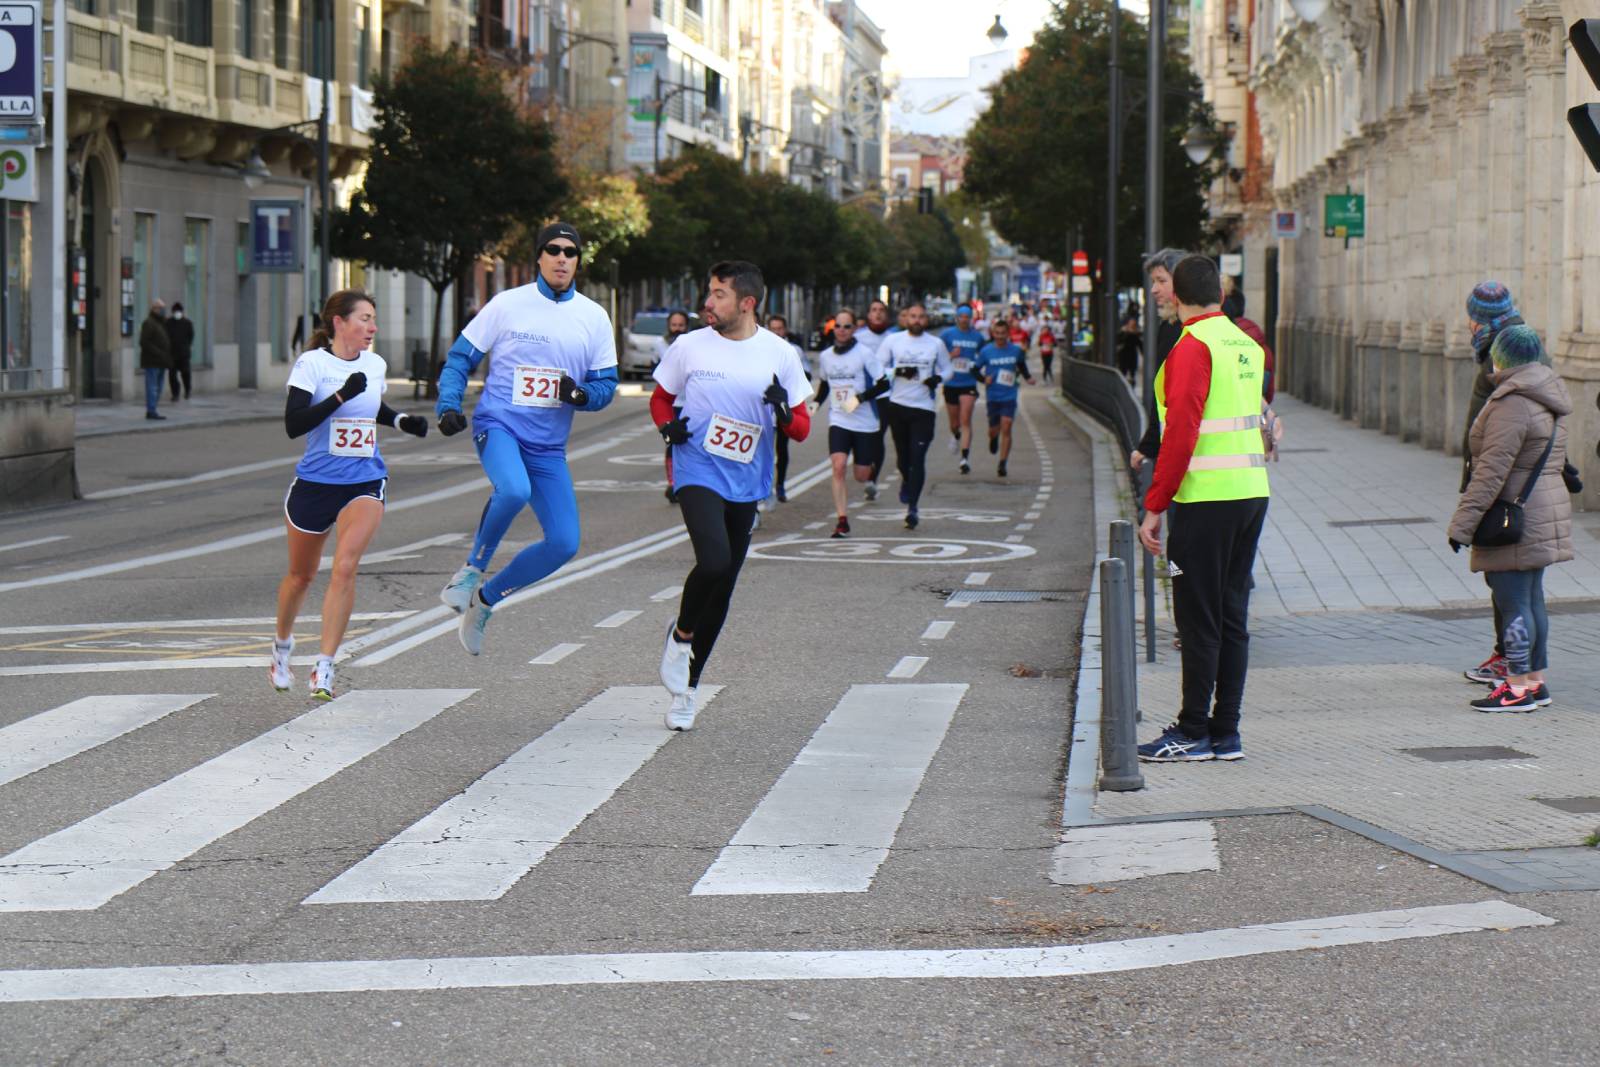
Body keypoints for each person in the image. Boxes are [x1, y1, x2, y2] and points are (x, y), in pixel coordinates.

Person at [434, 222, 620, 655]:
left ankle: (485, 601)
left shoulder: (593, 317)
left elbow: (606, 385)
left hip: (548, 446)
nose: (561, 258)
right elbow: (461, 357)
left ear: (578, 261)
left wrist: (580, 394)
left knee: (564, 543)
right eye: (552, 250)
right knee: (513, 489)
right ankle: (470, 571)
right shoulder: (507, 304)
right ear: (538, 257)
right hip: (499, 425)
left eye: (569, 252)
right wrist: (448, 404)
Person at [651, 260, 811, 730]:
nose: (708, 302)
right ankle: (681, 637)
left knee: (723, 586)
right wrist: (667, 426)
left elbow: (801, 429)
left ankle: (688, 688)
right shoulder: (689, 346)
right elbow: (661, 397)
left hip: (747, 477)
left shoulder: (778, 354)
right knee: (714, 560)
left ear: (746, 302)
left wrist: (783, 413)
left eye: (718, 294)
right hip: (697, 467)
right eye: (708, 292)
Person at [1135, 254, 1270, 763]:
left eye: (1164, 288)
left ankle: (1192, 730)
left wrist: (1155, 505)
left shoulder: (1193, 347)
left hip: (1205, 497)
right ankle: (1225, 732)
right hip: (1250, 491)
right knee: (1232, 616)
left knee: (1197, 620)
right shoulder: (1244, 342)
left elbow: (1182, 434)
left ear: (1181, 294)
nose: (1159, 294)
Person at [272, 290, 428, 700]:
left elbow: (371, 405)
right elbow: (294, 423)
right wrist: (340, 393)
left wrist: (401, 420)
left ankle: (324, 666)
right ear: (339, 323)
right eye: (364, 318)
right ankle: (282, 646)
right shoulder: (312, 365)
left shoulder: (375, 364)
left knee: (345, 566)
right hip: (316, 483)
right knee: (300, 576)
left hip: (363, 480)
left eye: (374, 319)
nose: (372, 327)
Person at [1448, 326, 1572, 713]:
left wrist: (1462, 524)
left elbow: (1491, 473)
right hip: (1543, 506)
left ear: (1501, 358)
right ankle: (1535, 682)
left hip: (1514, 515)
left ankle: (1517, 689)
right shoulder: (1548, 392)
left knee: (1514, 600)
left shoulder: (1512, 403)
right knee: (1531, 597)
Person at [1459, 282, 1527, 688]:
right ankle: (1512, 659)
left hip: (1501, 480)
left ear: (1481, 318)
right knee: (1503, 575)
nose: (1466, 322)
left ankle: (1513, 663)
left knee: (1507, 575)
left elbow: (1506, 426)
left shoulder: (1504, 353)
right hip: (1496, 475)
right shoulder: (1494, 346)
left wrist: (1478, 488)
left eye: (1469, 315)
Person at [814, 307, 889, 538]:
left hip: (864, 421)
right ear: (833, 328)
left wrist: (860, 398)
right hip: (839, 419)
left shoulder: (864, 354)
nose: (842, 330)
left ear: (854, 328)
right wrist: (816, 403)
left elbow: (884, 384)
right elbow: (825, 384)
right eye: (838, 326)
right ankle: (842, 520)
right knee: (837, 467)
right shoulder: (826, 356)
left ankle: (871, 470)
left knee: (860, 475)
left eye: (847, 326)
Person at [880, 302, 953, 529]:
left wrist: (938, 379)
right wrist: (897, 371)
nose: (917, 321)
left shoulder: (936, 343)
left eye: (921, 317)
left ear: (926, 320)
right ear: (905, 319)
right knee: (903, 458)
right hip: (898, 405)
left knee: (918, 456)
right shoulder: (893, 341)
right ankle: (906, 481)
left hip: (924, 408)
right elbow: (876, 367)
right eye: (913, 316)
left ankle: (913, 507)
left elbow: (948, 369)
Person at [1129, 248, 1191, 473]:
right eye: (1153, 281)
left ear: (1183, 281)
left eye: (1161, 281)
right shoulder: (1178, 325)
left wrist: (1148, 446)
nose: (1154, 289)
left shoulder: (1177, 329)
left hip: (1185, 458)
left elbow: (1167, 397)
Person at [973, 317, 1037, 478]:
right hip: (993, 396)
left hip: (1009, 395)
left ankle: (1002, 463)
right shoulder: (986, 351)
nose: (1000, 336)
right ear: (993, 333)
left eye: (1003, 333)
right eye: (997, 333)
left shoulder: (1016, 351)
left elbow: (1021, 364)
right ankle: (993, 438)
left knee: (1007, 426)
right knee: (994, 430)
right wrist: (983, 379)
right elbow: (974, 370)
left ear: (1008, 334)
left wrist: (1028, 377)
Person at [854, 299, 894, 500]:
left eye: (881, 311)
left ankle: (872, 480)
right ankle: (862, 466)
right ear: (868, 314)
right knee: (863, 437)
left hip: (884, 396)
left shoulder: (894, 338)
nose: (878, 314)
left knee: (878, 437)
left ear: (886, 315)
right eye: (874, 310)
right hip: (861, 396)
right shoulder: (858, 338)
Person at [939, 304, 986, 472]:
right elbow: (937, 355)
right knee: (955, 423)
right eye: (962, 316)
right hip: (951, 383)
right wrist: (950, 356)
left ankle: (964, 459)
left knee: (965, 419)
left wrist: (979, 369)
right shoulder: (947, 335)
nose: (964, 319)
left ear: (971, 317)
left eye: (967, 316)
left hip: (968, 383)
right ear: (957, 317)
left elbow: (985, 354)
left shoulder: (977, 337)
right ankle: (955, 435)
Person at [766, 313, 806, 502]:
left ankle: (780, 484)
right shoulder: (760, 349)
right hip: (765, 409)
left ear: (785, 330)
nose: (776, 332)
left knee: (782, 449)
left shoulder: (794, 350)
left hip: (785, 408)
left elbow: (804, 374)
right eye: (772, 329)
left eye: (779, 328)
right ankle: (764, 488)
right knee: (764, 451)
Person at [659, 309, 691, 504]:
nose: (677, 329)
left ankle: (688, 483)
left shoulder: (692, 345)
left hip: (691, 403)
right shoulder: (660, 344)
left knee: (690, 445)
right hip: (672, 403)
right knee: (671, 442)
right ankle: (673, 483)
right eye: (674, 325)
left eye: (681, 325)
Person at [138, 300, 171, 421]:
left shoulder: (161, 323)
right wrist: (158, 352)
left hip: (162, 361)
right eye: (161, 308)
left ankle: (153, 408)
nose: (163, 310)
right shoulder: (149, 323)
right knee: (152, 386)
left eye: (164, 307)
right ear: (154, 309)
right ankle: (151, 410)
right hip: (152, 361)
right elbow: (144, 342)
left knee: (159, 386)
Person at [165, 301, 195, 401]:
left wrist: (187, 347)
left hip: (184, 354)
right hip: (172, 354)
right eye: (175, 311)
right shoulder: (168, 323)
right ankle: (175, 394)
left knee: (186, 373)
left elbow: (191, 337)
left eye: (179, 311)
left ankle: (187, 390)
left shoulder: (187, 323)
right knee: (172, 375)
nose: (177, 313)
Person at [1115, 312, 1142, 383]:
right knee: (1123, 371)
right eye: (1131, 323)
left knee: (1132, 371)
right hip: (1124, 355)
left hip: (1131, 355)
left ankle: (1131, 382)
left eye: (1133, 323)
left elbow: (1139, 344)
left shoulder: (1135, 334)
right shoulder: (1123, 332)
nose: (1132, 324)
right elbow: (1119, 341)